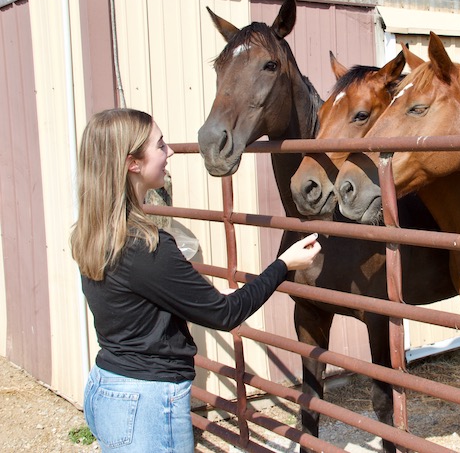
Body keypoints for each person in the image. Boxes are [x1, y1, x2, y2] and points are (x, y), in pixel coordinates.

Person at [70, 108, 321, 452]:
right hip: (147, 401)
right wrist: (283, 264)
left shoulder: (96, 233)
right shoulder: (148, 246)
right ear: (133, 163)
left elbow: (145, 300)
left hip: (108, 385)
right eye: (160, 145)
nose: (170, 151)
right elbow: (225, 314)